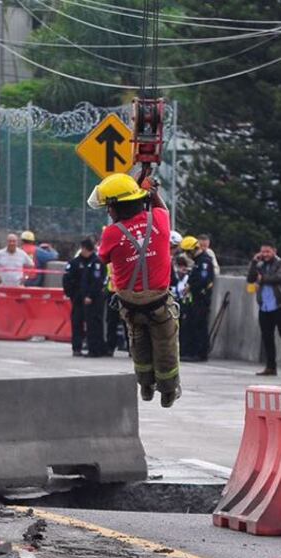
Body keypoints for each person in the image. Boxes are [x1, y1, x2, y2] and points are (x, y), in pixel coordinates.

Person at [95, 173, 181, 407]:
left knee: (138, 341)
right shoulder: (160, 221)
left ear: (117, 207)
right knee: (166, 344)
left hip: (130, 303)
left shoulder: (111, 233)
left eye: (109, 207)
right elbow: (161, 207)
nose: (108, 211)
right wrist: (151, 192)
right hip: (159, 301)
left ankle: (145, 385)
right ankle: (168, 389)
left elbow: (103, 258)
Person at [247, 242, 281, 377]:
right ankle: (270, 367)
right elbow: (250, 279)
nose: (265, 255)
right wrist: (254, 263)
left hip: (280, 305)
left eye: (268, 252)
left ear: (274, 251)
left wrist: (263, 278)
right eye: (263, 252)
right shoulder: (260, 265)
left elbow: (279, 277)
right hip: (265, 306)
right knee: (267, 338)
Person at [63, 238, 107, 357]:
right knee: (77, 323)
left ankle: (95, 349)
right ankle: (77, 347)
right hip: (78, 299)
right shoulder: (75, 263)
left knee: (94, 324)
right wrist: (71, 294)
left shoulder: (97, 263)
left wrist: (90, 296)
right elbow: (67, 279)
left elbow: (98, 281)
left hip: (94, 299)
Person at [181, 235, 215, 362]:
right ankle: (192, 351)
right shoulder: (198, 261)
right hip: (195, 298)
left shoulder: (204, 261)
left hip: (201, 298)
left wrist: (191, 286)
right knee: (193, 323)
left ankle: (200, 353)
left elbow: (203, 279)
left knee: (200, 325)